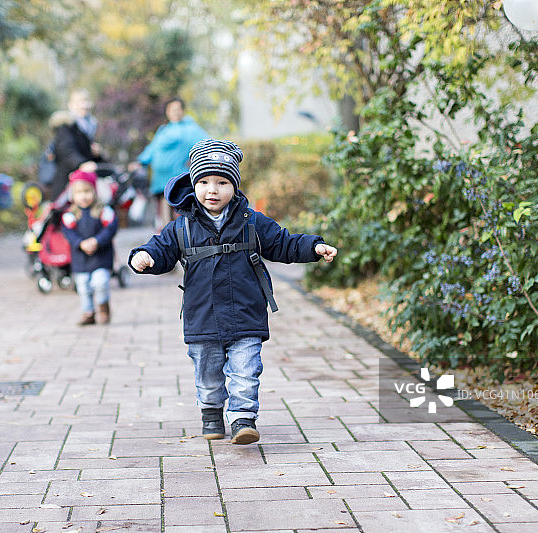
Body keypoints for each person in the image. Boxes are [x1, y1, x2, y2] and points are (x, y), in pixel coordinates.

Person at [128, 139, 337, 444]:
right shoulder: (182, 227)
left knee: (246, 370)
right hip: (203, 317)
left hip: (246, 313)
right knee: (207, 373)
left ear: (235, 187)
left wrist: (313, 247)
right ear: (193, 184)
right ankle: (211, 413)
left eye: (222, 182)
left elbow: (283, 243)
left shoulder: (252, 222)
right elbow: (161, 249)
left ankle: (242, 419)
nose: (212, 190)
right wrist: (144, 256)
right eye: (204, 182)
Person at [131, 97, 208, 228]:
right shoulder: (163, 129)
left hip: (179, 179)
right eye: (171, 109)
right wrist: (140, 161)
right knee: (164, 217)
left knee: (181, 215)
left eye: (177, 109)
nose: (175, 112)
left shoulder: (190, 128)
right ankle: (168, 238)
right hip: (161, 180)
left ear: (182, 111)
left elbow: (207, 144)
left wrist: (195, 159)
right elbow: (153, 148)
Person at [62, 169, 118, 325]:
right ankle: (88, 312)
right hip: (81, 259)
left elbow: (110, 229)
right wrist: (80, 243)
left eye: (87, 192)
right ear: (73, 195)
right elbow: (69, 233)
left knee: (100, 283)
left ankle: (103, 307)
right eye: (79, 193)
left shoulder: (104, 211)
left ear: (94, 191)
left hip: (101, 257)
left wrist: (97, 241)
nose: (83, 196)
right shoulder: (70, 215)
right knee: (83, 286)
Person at [49, 88, 104, 201]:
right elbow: (66, 150)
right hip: (67, 181)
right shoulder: (65, 125)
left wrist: (98, 154)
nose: (84, 105)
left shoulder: (90, 126)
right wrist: (82, 163)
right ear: (71, 105)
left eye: (86, 101)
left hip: (86, 181)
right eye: (79, 102)